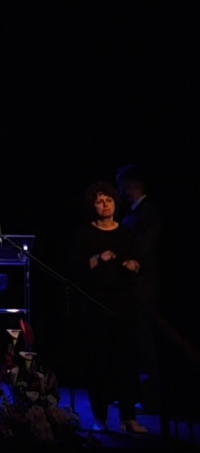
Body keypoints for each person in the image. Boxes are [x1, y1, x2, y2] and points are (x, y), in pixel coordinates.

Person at [72, 181, 148, 433]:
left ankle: (129, 417)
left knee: (127, 361)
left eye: (108, 200)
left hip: (124, 305)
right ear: (92, 206)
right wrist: (97, 258)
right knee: (99, 363)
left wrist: (132, 265)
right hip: (95, 306)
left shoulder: (126, 233)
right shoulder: (86, 234)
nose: (104, 205)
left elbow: (139, 263)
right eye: (99, 201)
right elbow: (77, 269)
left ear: (115, 203)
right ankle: (100, 418)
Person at [115, 164, 163, 412]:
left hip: (143, 285)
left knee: (144, 342)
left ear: (129, 186)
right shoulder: (132, 214)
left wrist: (134, 261)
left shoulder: (148, 212)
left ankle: (150, 398)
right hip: (130, 287)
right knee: (133, 342)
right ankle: (133, 394)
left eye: (122, 187)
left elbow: (147, 244)